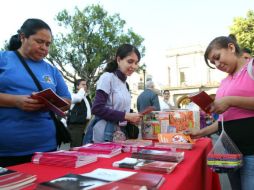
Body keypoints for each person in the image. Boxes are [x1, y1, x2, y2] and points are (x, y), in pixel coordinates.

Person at [0, 18, 71, 167]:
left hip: (46, 148)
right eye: (39, 41)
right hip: (7, 152)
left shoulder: (51, 70)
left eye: (48, 44)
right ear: (22, 37)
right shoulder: (3, 59)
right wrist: (15, 101)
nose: (44, 47)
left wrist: (50, 104)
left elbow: (67, 101)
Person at [186, 36, 254, 190]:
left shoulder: (251, 67)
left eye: (217, 57)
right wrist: (200, 132)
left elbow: (231, 104)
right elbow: (224, 120)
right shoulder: (225, 82)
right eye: (213, 63)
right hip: (231, 153)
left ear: (231, 48)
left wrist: (230, 100)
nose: (217, 64)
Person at [83, 44, 142, 143]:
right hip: (104, 134)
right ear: (118, 60)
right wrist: (126, 116)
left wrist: (133, 117)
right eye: (130, 61)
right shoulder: (107, 77)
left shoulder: (125, 84)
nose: (133, 66)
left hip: (121, 133)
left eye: (136, 63)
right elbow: (97, 108)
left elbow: (122, 111)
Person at [67, 79, 92, 147]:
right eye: (83, 84)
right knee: (76, 147)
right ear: (77, 86)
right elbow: (78, 98)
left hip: (85, 125)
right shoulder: (73, 95)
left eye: (86, 84)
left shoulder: (86, 98)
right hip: (76, 126)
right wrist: (82, 90)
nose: (85, 86)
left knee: (84, 146)